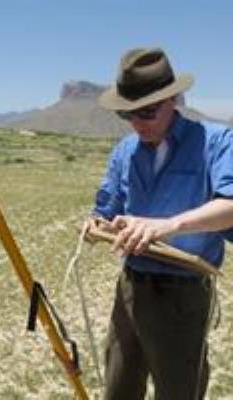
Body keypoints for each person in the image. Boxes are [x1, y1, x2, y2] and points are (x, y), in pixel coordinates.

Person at [86, 47, 233, 400]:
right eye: (128, 114)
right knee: (119, 388)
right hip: (131, 287)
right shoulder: (125, 151)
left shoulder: (216, 142)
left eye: (147, 112)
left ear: (173, 100)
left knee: (178, 391)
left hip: (183, 293)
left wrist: (167, 225)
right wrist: (95, 226)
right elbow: (105, 210)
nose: (138, 123)